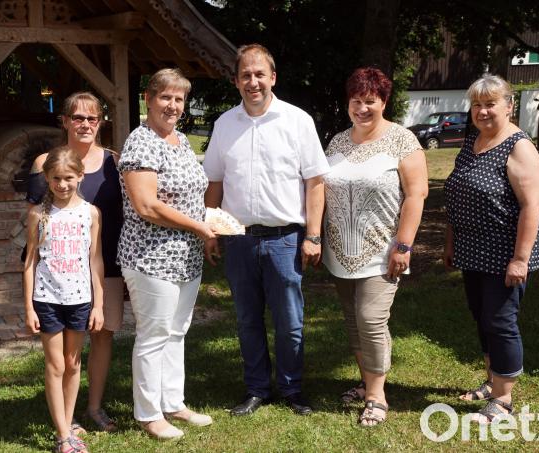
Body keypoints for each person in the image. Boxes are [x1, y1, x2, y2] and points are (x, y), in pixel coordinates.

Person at [203, 44, 330, 417]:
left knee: (290, 323)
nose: (253, 81)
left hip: (285, 240)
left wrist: (313, 235)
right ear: (235, 80)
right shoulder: (224, 125)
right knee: (246, 320)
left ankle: (292, 390)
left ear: (273, 77)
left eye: (260, 74)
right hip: (238, 239)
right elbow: (214, 182)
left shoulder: (298, 121)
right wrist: (211, 230)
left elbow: (316, 182)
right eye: (246, 75)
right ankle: (257, 389)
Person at [320, 67, 428, 426]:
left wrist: (404, 245)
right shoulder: (337, 141)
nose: (362, 108)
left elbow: (416, 194)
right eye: (356, 101)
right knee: (353, 322)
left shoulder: (402, 140)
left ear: (383, 102)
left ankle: (377, 397)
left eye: (371, 101)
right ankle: (367, 382)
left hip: (382, 251)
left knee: (371, 319)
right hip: (340, 252)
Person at [117, 68, 215, 440]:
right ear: (148, 99)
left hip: (185, 256)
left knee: (177, 331)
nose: (173, 106)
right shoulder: (141, 143)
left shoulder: (180, 140)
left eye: (179, 99)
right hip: (151, 257)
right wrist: (197, 226)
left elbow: (190, 194)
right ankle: (148, 413)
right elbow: (146, 205)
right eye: (165, 97)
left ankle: (173, 402)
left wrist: (207, 226)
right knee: (154, 333)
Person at [444, 74, 539, 424]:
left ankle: (503, 401)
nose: (483, 111)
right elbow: (457, 195)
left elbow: (532, 206)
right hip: (473, 249)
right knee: (482, 318)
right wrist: (451, 240)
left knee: (501, 322)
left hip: (506, 253)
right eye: (477, 104)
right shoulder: (472, 142)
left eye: (490, 104)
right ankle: (492, 381)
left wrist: (520, 259)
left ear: (508, 106)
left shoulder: (518, 146)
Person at [26, 92, 125, 433]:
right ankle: (65, 421)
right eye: (78, 118)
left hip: (104, 265)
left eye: (92, 118)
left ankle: (94, 408)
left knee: (103, 334)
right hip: (59, 274)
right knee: (64, 356)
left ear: (101, 122)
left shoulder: (114, 161)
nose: (85, 124)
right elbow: (36, 224)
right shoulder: (44, 163)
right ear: (65, 121)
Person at [23, 147, 105, 453]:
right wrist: (29, 306)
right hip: (48, 299)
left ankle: (68, 425)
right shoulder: (38, 215)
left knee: (73, 364)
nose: (62, 184)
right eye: (56, 178)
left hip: (80, 300)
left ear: (80, 176)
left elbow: (95, 260)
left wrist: (97, 304)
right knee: (55, 365)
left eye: (69, 178)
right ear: (46, 178)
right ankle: (62, 436)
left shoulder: (91, 213)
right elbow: (29, 262)